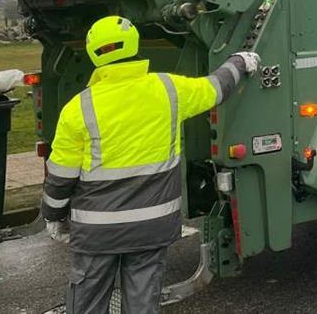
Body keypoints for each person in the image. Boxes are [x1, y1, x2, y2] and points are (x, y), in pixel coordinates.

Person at [41, 16, 259, 313]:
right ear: (133, 43)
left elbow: (60, 176)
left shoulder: (78, 108)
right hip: (151, 227)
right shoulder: (168, 90)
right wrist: (239, 61)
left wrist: (54, 216)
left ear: (94, 53)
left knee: (87, 301)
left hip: (97, 232)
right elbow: (216, 87)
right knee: (143, 301)